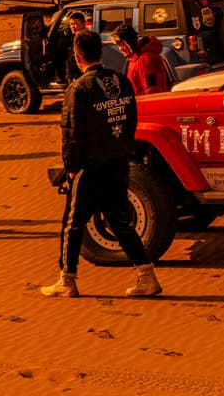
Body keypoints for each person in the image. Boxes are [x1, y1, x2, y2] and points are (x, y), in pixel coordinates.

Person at [42, 30, 161, 299]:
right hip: (118, 162)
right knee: (119, 220)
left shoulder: (80, 88)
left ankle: (67, 279)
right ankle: (146, 274)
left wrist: (71, 167)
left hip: (91, 166)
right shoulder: (121, 81)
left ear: (77, 56)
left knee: (73, 224)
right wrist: (124, 149)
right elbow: (131, 119)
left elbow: (71, 133)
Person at [114, 23, 170, 96]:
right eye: (119, 45)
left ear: (129, 43)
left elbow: (152, 90)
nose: (120, 48)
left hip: (146, 104)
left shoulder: (145, 60)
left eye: (123, 44)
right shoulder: (136, 58)